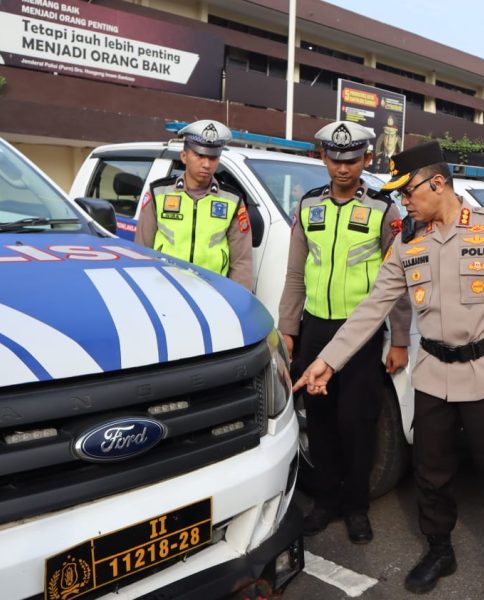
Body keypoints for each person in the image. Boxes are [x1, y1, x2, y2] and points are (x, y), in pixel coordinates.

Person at [293, 141, 484, 599]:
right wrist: (327, 361)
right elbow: (373, 307)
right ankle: (439, 548)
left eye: (408, 193)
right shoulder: (410, 241)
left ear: (437, 183)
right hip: (433, 377)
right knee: (431, 471)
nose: (404, 202)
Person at [278, 120, 410, 543]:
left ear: (366, 159)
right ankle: (327, 502)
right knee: (320, 421)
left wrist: (401, 338)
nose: (342, 168)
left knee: (358, 423)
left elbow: (400, 280)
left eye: (352, 160)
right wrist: (289, 329)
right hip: (315, 327)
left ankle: (356, 506)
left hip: (361, 333)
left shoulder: (383, 210)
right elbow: (295, 273)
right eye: (335, 159)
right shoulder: (308, 206)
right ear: (323, 158)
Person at [135, 119, 253, 289]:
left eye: (213, 157)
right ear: (184, 156)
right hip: (165, 290)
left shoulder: (232, 200)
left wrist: (238, 300)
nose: (206, 164)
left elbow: (241, 262)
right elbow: (141, 251)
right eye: (200, 155)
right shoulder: (158, 193)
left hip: (213, 292)